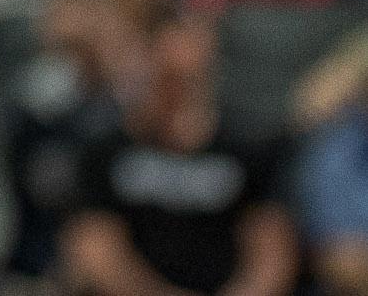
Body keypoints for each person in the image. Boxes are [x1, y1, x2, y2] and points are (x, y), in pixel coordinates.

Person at [64, 16, 297, 296]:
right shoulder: (105, 150)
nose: (175, 93)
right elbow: (94, 249)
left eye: (185, 80)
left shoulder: (248, 148)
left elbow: (272, 250)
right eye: (167, 77)